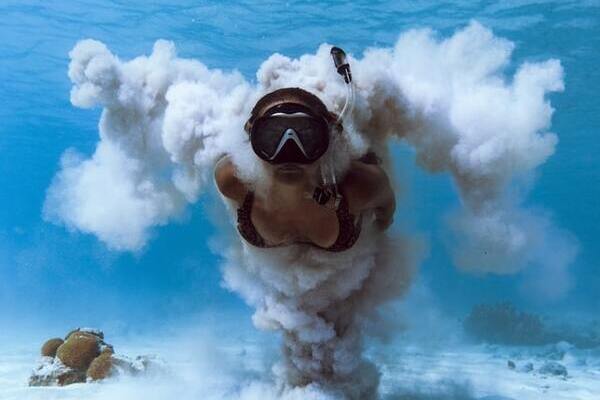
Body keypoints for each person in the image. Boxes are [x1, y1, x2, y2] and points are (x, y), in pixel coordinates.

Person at [214, 87, 395, 252]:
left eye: (307, 136)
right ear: (253, 140)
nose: (289, 153)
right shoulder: (231, 179)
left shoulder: (363, 185)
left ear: (328, 139)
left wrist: (379, 234)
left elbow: (385, 213)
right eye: (271, 136)